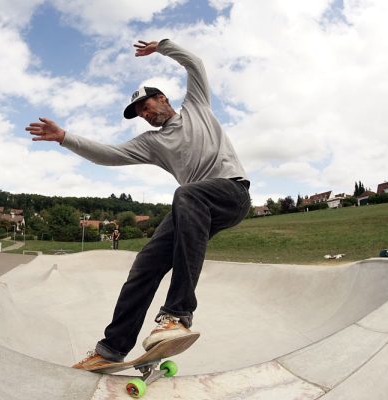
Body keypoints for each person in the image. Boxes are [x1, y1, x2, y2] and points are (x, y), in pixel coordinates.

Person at [26, 39, 251, 369]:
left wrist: (162, 47)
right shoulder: (151, 143)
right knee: (145, 265)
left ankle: (177, 314)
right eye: (141, 114)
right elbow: (109, 154)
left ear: (163, 98)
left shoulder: (197, 106)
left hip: (231, 194)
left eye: (148, 107)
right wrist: (65, 138)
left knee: (186, 194)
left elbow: (195, 64)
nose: (145, 115)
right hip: (193, 209)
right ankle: (112, 348)